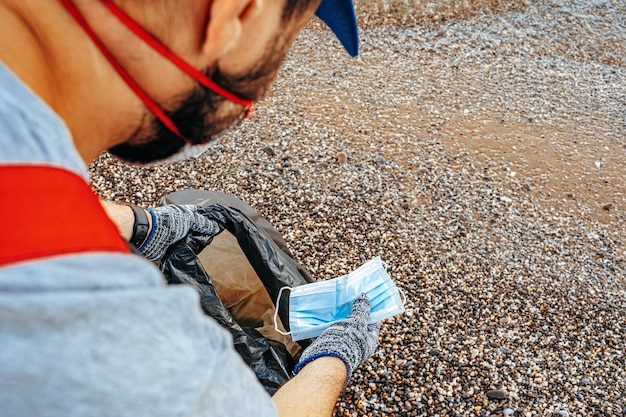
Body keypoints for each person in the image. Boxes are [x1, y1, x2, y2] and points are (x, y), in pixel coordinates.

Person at [0, 0, 380, 416]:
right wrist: (333, 359)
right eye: (280, 45)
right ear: (235, 13)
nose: (262, 92)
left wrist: (140, 224)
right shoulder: (88, 326)